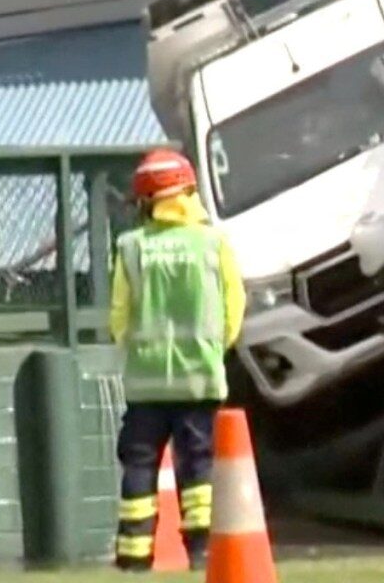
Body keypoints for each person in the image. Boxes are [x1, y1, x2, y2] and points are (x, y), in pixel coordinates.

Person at [109, 148, 245, 572]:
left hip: (146, 384)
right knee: (199, 465)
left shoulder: (130, 247)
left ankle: (133, 557)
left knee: (139, 464)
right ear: (188, 191)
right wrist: (212, 349)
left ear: (147, 200)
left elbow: (119, 317)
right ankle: (202, 554)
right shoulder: (213, 243)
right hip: (199, 379)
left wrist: (136, 351)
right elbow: (234, 306)